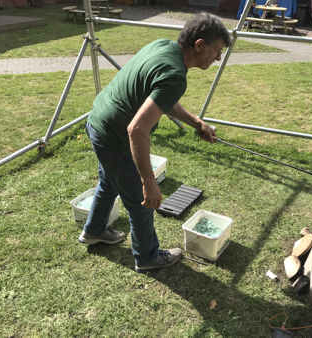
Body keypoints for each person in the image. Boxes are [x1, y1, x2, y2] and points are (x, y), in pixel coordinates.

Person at [78, 12, 231, 273]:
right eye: (216, 51)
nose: (217, 58)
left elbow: (161, 97)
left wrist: (197, 123)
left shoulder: (162, 45)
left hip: (97, 122)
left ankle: (93, 231)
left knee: (109, 181)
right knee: (141, 201)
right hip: (114, 135)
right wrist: (148, 183)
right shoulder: (175, 75)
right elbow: (137, 130)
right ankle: (147, 256)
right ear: (200, 45)